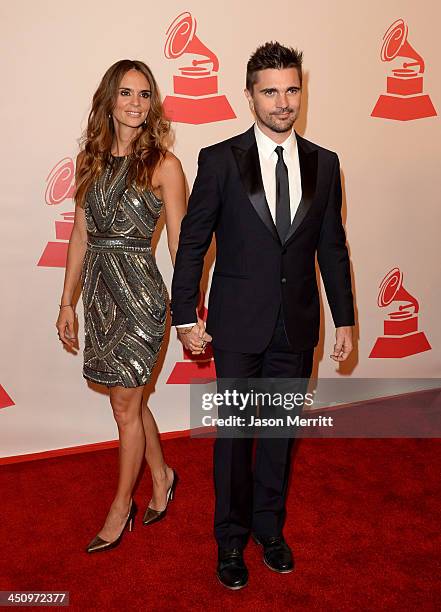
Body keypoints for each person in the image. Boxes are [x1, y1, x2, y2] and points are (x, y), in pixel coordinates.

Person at [171, 42, 354, 589]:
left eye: (292, 90)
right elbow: (194, 242)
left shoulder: (326, 162)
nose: (283, 102)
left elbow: (332, 247)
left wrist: (344, 318)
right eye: (270, 91)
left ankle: (269, 530)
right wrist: (185, 314)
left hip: (296, 324)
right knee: (235, 437)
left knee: (277, 434)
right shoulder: (220, 159)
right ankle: (230, 538)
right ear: (248, 96)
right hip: (237, 324)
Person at [56, 59, 186, 553]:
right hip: (101, 298)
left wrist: (191, 308)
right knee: (129, 400)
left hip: (141, 298)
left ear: (153, 104)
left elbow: (182, 246)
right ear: (109, 101)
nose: (136, 103)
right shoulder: (91, 159)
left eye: (145, 94)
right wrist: (67, 301)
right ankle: (162, 474)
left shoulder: (164, 165)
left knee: (124, 406)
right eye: (127, 93)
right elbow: (81, 235)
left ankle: (120, 506)